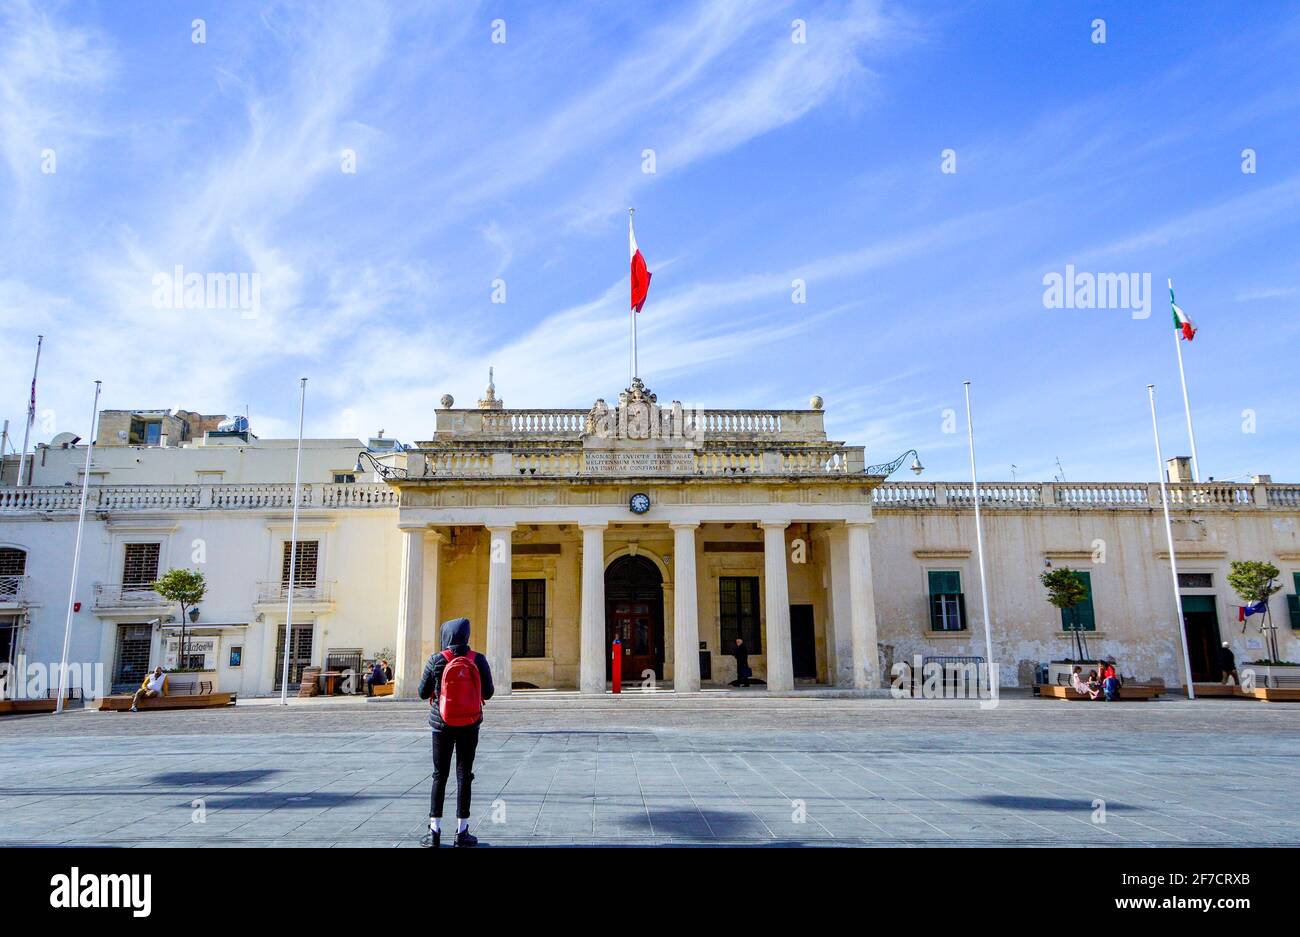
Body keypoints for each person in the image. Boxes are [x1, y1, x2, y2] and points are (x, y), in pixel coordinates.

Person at [419, 617, 494, 848]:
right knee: (465, 775)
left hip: (441, 724)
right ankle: (462, 831)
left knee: (439, 775)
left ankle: (434, 831)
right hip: (470, 724)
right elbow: (489, 693)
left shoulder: (436, 659)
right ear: (466, 636)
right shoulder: (477, 659)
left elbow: (422, 693)